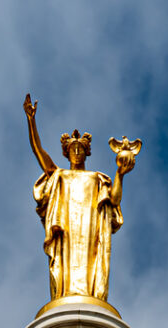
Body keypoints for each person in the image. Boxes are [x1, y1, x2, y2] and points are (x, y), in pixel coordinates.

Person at [24, 94, 139, 302]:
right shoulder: (60, 175)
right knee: (64, 270)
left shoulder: (97, 179)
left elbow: (113, 201)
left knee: (91, 267)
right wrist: (31, 121)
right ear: (66, 154)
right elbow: (38, 152)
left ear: (87, 153)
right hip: (66, 232)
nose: (76, 152)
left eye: (80, 149)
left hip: (90, 231)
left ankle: (90, 295)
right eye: (72, 149)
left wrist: (120, 174)